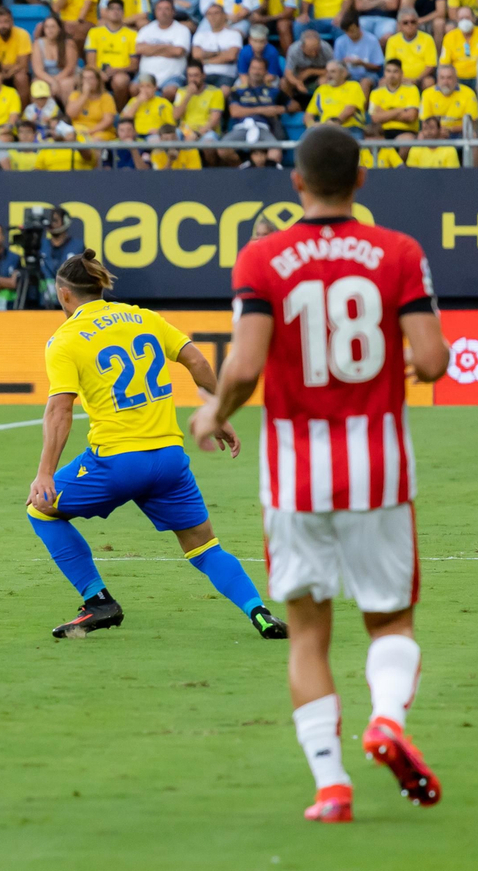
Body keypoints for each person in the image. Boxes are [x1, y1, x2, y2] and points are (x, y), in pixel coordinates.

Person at [189, 123, 449, 824]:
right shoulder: (398, 252)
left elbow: (244, 366)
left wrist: (215, 413)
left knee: (308, 634)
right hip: (380, 468)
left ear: (296, 182)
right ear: (361, 181)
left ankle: (331, 787)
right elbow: (433, 359)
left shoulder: (264, 257)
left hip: (295, 472)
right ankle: (388, 720)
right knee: (390, 620)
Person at [25, 249, 284, 641]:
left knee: (40, 510)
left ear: (64, 294)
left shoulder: (65, 339)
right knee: (205, 547)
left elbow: (59, 411)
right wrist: (217, 413)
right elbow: (196, 361)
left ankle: (98, 601)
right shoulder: (142, 317)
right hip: (169, 460)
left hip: (116, 463)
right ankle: (260, 613)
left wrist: (45, 472)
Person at [134, 0, 190, 94]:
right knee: (133, 88)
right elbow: (139, 49)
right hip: (146, 75)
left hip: (172, 76)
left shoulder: (182, 30)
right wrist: (167, 48)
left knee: (170, 91)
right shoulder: (147, 29)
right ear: (155, 12)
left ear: (173, 12)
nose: (163, 12)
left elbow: (178, 51)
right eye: (159, 9)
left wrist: (151, 49)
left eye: (167, 9)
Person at [419, 61, 478, 133]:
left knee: (473, 135)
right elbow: (425, 122)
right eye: (442, 78)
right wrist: (440, 131)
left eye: (449, 78)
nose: (445, 82)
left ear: (456, 79)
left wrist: (450, 129)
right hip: (435, 134)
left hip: (461, 133)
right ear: (437, 79)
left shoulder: (468, 93)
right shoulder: (427, 94)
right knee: (421, 136)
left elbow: (472, 123)